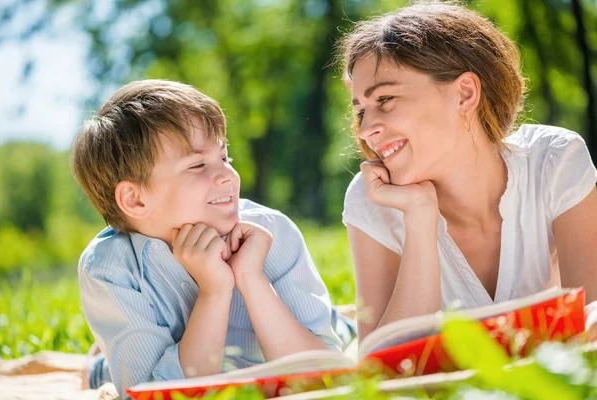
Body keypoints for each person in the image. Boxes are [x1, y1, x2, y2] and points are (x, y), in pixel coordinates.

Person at [338, 1, 597, 342]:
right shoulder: (372, 201)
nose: (366, 128)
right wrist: (419, 218)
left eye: (384, 100)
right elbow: (382, 371)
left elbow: (591, 329)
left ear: (464, 94)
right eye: (361, 112)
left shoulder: (554, 162)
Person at [71, 79, 350, 396]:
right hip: (158, 358)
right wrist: (215, 291)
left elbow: (325, 378)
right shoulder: (109, 269)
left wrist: (250, 278)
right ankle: (98, 366)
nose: (228, 175)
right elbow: (159, 393)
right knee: (105, 375)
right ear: (135, 200)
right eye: (197, 164)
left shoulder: (273, 232)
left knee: (341, 328)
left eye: (225, 157)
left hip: (288, 340)